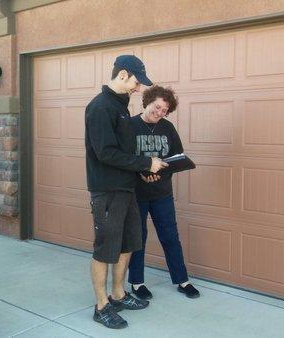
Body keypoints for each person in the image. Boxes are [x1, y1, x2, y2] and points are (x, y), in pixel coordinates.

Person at [85, 55, 168, 329]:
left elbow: (125, 152)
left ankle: (118, 294)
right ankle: (102, 306)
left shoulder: (120, 107)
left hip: (127, 188)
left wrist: (143, 171)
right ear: (122, 74)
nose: (138, 87)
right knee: (105, 249)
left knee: (129, 243)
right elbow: (105, 153)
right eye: (136, 81)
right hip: (107, 191)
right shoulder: (100, 107)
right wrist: (145, 162)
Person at [127, 85, 200, 300]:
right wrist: (142, 172)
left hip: (162, 194)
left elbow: (177, 157)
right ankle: (137, 283)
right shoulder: (130, 126)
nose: (160, 113)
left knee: (170, 237)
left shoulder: (167, 128)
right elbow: (123, 158)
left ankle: (182, 280)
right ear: (147, 101)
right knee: (137, 239)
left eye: (164, 110)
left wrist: (160, 174)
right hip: (136, 194)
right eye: (157, 107)